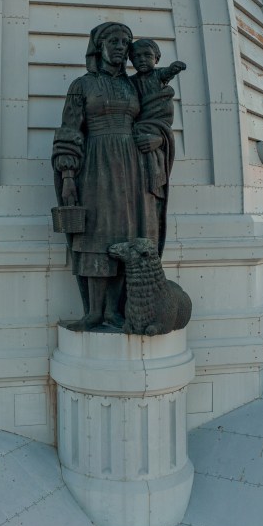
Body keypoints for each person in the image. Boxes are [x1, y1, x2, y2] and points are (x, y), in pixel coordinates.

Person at [52, 23, 159, 331]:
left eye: (125, 42)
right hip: (96, 166)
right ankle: (94, 312)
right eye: (113, 41)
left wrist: (156, 139)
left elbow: (157, 116)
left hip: (132, 169)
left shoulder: (134, 86)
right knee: (97, 235)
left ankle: (114, 311)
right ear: (98, 46)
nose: (120, 46)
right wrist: (69, 175)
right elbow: (70, 130)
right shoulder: (82, 85)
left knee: (125, 237)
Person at [129, 38, 184, 256]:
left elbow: (164, 121)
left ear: (157, 58)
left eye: (147, 56)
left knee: (150, 199)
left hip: (154, 144)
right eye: (136, 57)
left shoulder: (159, 78)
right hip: (133, 145)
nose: (142, 60)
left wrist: (160, 138)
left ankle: (149, 255)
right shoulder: (129, 84)